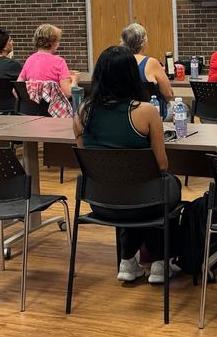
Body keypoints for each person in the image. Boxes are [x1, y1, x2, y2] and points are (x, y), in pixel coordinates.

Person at [73, 46, 180, 285]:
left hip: (101, 203)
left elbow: (88, 162)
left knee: (128, 187)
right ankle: (160, 262)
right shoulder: (146, 111)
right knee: (163, 186)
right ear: (132, 75)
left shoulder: (82, 112)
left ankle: (127, 260)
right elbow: (161, 165)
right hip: (145, 201)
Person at [120, 23, 173, 117]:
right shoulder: (151, 63)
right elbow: (168, 95)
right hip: (152, 114)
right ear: (143, 42)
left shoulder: (117, 62)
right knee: (185, 108)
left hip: (125, 113)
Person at [18, 24, 74, 95]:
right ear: (53, 43)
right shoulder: (59, 62)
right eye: (58, 40)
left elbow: (16, 90)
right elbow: (67, 93)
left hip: (31, 105)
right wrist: (74, 80)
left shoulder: (29, 60)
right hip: (53, 105)